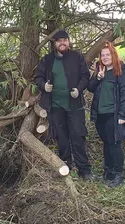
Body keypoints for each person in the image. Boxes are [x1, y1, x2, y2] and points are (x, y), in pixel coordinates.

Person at [34, 30, 93, 179]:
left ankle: (84, 170)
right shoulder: (47, 60)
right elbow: (38, 77)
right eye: (59, 40)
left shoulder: (76, 57)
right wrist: (44, 86)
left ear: (69, 41)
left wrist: (78, 89)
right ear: (54, 43)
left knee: (78, 136)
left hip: (74, 105)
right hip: (55, 106)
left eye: (65, 40)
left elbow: (85, 76)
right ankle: (65, 166)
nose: (62, 43)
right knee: (62, 137)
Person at [87, 41, 125, 188]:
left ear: (113, 55)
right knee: (106, 142)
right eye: (103, 55)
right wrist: (98, 77)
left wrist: (123, 115)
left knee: (114, 143)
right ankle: (108, 171)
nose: (105, 57)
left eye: (108, 54)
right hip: (100, 115)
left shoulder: (121, 70)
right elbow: (90, 88)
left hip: (113, 114)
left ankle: (119, 173)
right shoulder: (100, 71)